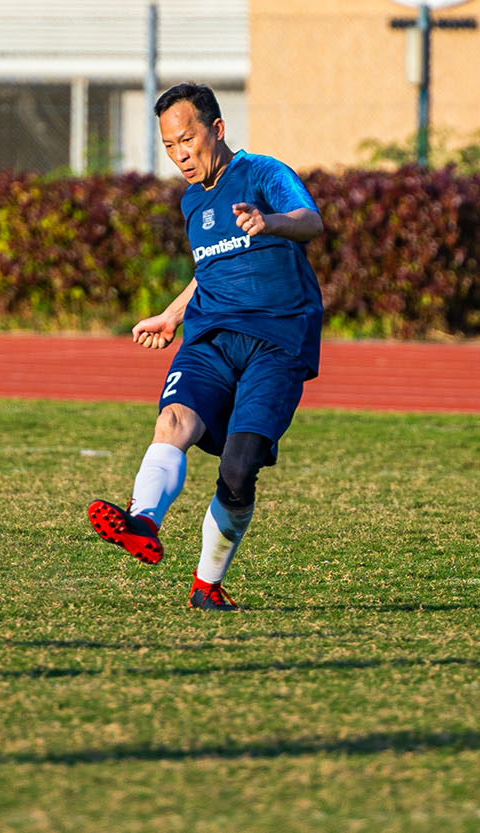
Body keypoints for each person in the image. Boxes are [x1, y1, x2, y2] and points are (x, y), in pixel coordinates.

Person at [87, 82, 324, 610]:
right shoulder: (192, 201)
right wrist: (172, 317)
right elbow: (209, 268)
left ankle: (206, 585)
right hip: (210, 335)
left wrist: (271, 223)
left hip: (277, 341)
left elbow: (311, 221)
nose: (180, 156)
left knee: (239, 470)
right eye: (169, 146)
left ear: (216, 129)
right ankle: (142, 521)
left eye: (187, 140)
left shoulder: (263, 173)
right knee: (173, 421)